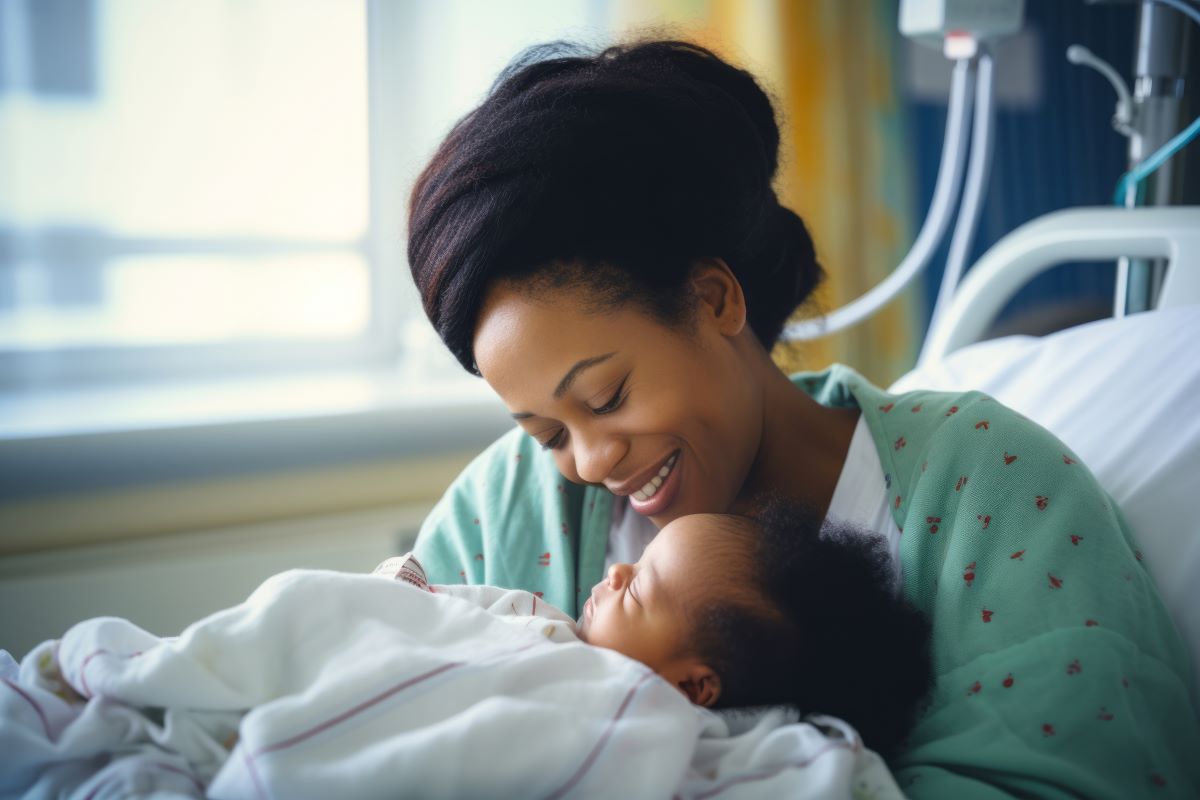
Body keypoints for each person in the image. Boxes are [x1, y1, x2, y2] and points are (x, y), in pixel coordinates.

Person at [405, 39, 1200, 797]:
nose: (587, 462)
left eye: (606, 398)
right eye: (545, 432)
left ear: (713, 299)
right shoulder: (508, 510)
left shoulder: (989, 490)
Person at [380, 501, 932, 761]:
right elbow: (450, 614)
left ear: (692, 689)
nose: (618, 571)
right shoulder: (544, 626)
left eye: (640, 587)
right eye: (639, 558)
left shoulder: (695, 744)